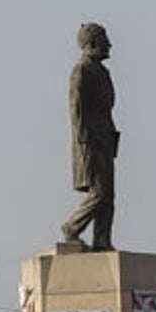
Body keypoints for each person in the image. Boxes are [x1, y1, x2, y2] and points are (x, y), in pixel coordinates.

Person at [60, 22, 119, 252]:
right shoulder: (81, 70)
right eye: (104, 39)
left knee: (109, 196)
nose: (109, 44)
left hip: (105, 138)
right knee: (99, 193)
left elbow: (108, 109)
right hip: (90, 140)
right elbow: (76, 107)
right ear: (92, 42)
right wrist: (84, 140)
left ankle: (102, 240)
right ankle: (71, 227)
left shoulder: (103, 73)